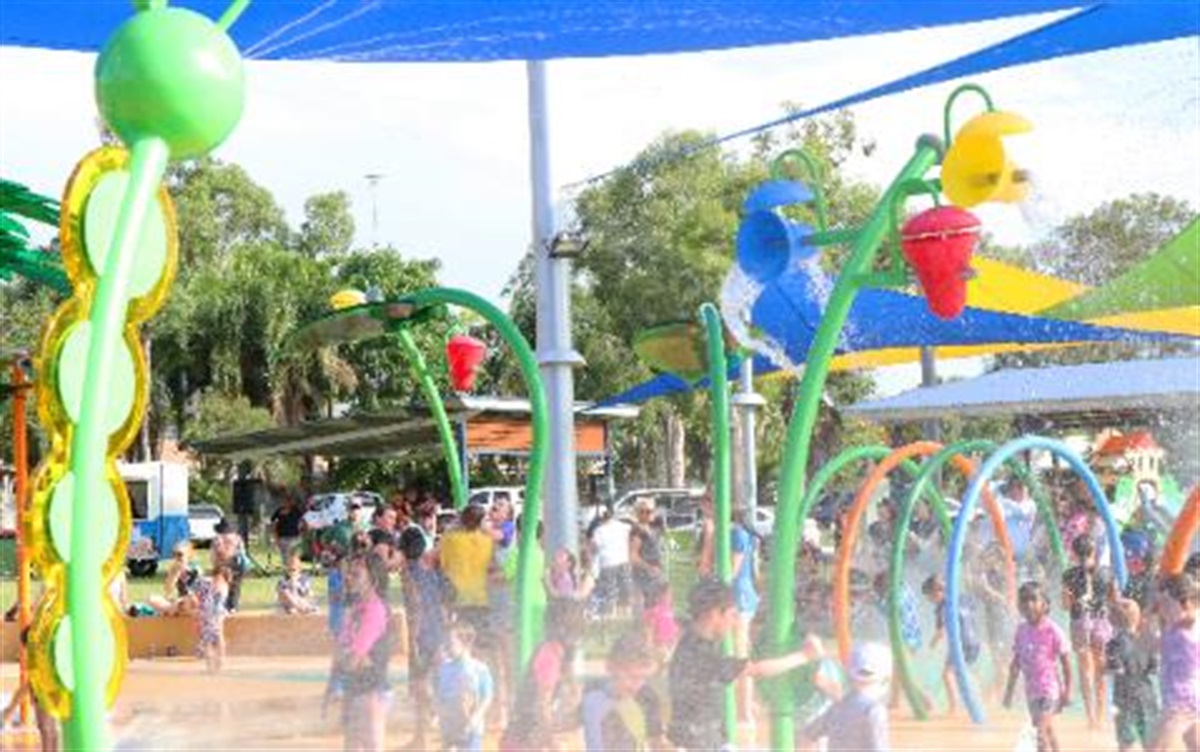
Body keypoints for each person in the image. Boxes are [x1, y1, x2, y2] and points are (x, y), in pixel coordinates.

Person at [667, 578, 823, 751]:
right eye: (732, 615)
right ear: (713, 614)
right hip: (696, 743)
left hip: (700, 737)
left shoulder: (691, 639)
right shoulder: (700, 656)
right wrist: (805, 656)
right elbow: (756, 670)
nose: (734, 623)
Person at [501, 598, 585, 751]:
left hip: (531, 738)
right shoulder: (550, 655)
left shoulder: (562, 655)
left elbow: (573, 694)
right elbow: (542, 705)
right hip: (522, 742)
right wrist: (552, 742)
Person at [397, 525, 449, 750]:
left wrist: (413, 641)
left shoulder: (408, 572)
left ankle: (422, 739)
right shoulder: (432, 569)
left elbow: (416, 606)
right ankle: (441, 735)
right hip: (438, 630)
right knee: (438, 685)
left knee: (420, 688)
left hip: (423, 634)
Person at [1004, 581, 1072, 752]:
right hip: (1032, 691)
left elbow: (1066, 663)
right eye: (1024, 600)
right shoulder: (1021, 630)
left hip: (1050, 690)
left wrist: (1067, 691)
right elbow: (1015, 664)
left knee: (1040, 732)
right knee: (1047, 730)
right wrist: (1009, 692)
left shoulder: (1053, 630)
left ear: (1045, 604)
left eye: (1034, 599)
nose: (1029, 604)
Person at [337, 553, 393, 752]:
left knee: (370, 745)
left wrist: (350, 658)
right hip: (356, 686)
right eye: (349, 573)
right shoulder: (356, 608)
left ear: (373, 579)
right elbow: (344, 650)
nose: (349, 578)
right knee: (353, 745)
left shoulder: (375, 609)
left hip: (372, 689)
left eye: (356, 574)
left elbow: (354, 656)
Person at [1061, 533, 1114, 729]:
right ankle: (1100, 717)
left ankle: (1090, 717)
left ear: (1074, 554)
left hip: (1080, 621)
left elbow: (1066, 605)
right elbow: (1113, 600)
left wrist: (1073, 598)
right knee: (1100, 670)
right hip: (1101, 620)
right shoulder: (1107, 573)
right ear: (1094, 551)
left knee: (1085, 671)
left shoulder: (1069, 575)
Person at [799, 641, 892, 752]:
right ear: (887, 679)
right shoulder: (874, 710)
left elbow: (808, 734)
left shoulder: (837, 707)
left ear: (848, 675)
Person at [581, 632, 665, 751]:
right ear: (610, 667)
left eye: (643, 677)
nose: (636, 685)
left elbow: (656, 741)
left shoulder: (647, 697)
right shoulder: (593, 695)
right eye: (631, 676)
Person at [1150, 573, 1199, 752]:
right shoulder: (1173, 629)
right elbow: (1153, 645)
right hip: (1180, 695)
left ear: (1184, 604)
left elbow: (1191, 616)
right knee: (1193, 742)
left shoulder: (1187, 629)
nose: (1161, 608)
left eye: (1166, 604)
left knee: (1156, 746)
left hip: (1180, 698)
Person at [922, 573, 981, 715]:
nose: (930, 600)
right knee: (962, 672)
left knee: (947, 674)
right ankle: (977, 695)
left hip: (961, 643)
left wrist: (932, 644)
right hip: (974, 641)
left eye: (930, 596)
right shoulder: (961, 598)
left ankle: (954, 707)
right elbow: (973, 608)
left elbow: (940, 631)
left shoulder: (943, 607)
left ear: (939, 591)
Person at [1105, 598, 1159, 752]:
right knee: (1149, 739)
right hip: (1146, 694)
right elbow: (1154, 669)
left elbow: (1114, 669)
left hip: (1124, 696)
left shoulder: (1113, 644)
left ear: (1113, 620)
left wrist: (1105, 668)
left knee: (1125, 741)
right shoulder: (1147, 641)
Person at [437, 622, 494, 752]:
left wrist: (477, 716)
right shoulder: (445, 668)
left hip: (471, 728)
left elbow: (487, 696)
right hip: (449, 727)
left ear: (466, 644)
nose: (447, 647)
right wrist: (438, 714)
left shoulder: (479, 669)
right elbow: (441, 696)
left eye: (451, 643)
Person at [0, 628, 59, 751]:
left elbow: (28, 685)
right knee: (49, 729)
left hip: (45, 695)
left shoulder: (40, 658)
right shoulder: (45, 655)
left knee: (47, 728)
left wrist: (10, 710)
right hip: (46, 694)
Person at [590, 508, 633, 619]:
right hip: (623, 561)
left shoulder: (598, 530)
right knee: (625, 590)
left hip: (607, 563)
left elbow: (594, 547)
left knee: (610, 592)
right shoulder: (623, 526)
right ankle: (626, 615)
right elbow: (632, 530)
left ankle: (610, 616)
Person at [194, 565, 232, 673]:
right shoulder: (210, 584)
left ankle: (218, 663)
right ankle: (211, 665)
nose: (215, 579)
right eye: (215, 576)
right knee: (209, 640)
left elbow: (216, 604)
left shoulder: (222, 587)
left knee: (216, 637)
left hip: (215, 614)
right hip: (209, 614)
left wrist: (213, 619)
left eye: (218, 577)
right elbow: (200, 597)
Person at [628, 498, 665, 608]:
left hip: (655, 573)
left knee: (657, 605)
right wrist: (649, 567)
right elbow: (633, 556)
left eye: (648, 511)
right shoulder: (637, 530)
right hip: (644, 574)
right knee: (647, 607)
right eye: (642, 511)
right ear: (637, 513)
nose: (645, 514)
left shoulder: (653, 527)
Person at [211, 519, 247, 612]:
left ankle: (223, 604)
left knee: (223, 584)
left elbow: (214, 555)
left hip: (223, 562)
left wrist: (217, 565)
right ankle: (233, 606)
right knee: (236, 585)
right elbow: (242, 552)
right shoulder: (237, 538)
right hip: (237, 563)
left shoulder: (217, 538)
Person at [640, 578, 681, 658]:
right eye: (668, 594)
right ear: (659, 595)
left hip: (669, 645)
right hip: (658, 646)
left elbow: (671, 624)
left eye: (671, 594)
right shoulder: (653, 611)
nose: (671, 596)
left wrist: (676, 633)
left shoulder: (667, 609)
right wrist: (649, 646)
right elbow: (649, 629)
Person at [270, 491, 305, 567]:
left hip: (295, 537)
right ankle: (287, 570)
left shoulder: (296, 511)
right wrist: (276, 538)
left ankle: (295, 569)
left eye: (289, 500)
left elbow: (302, 522)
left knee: (295, 556)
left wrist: (301, 533)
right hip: (283, 538)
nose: (287, 502)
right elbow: (274, 524)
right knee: (285, 557)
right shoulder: (279, 512)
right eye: (285, 501)